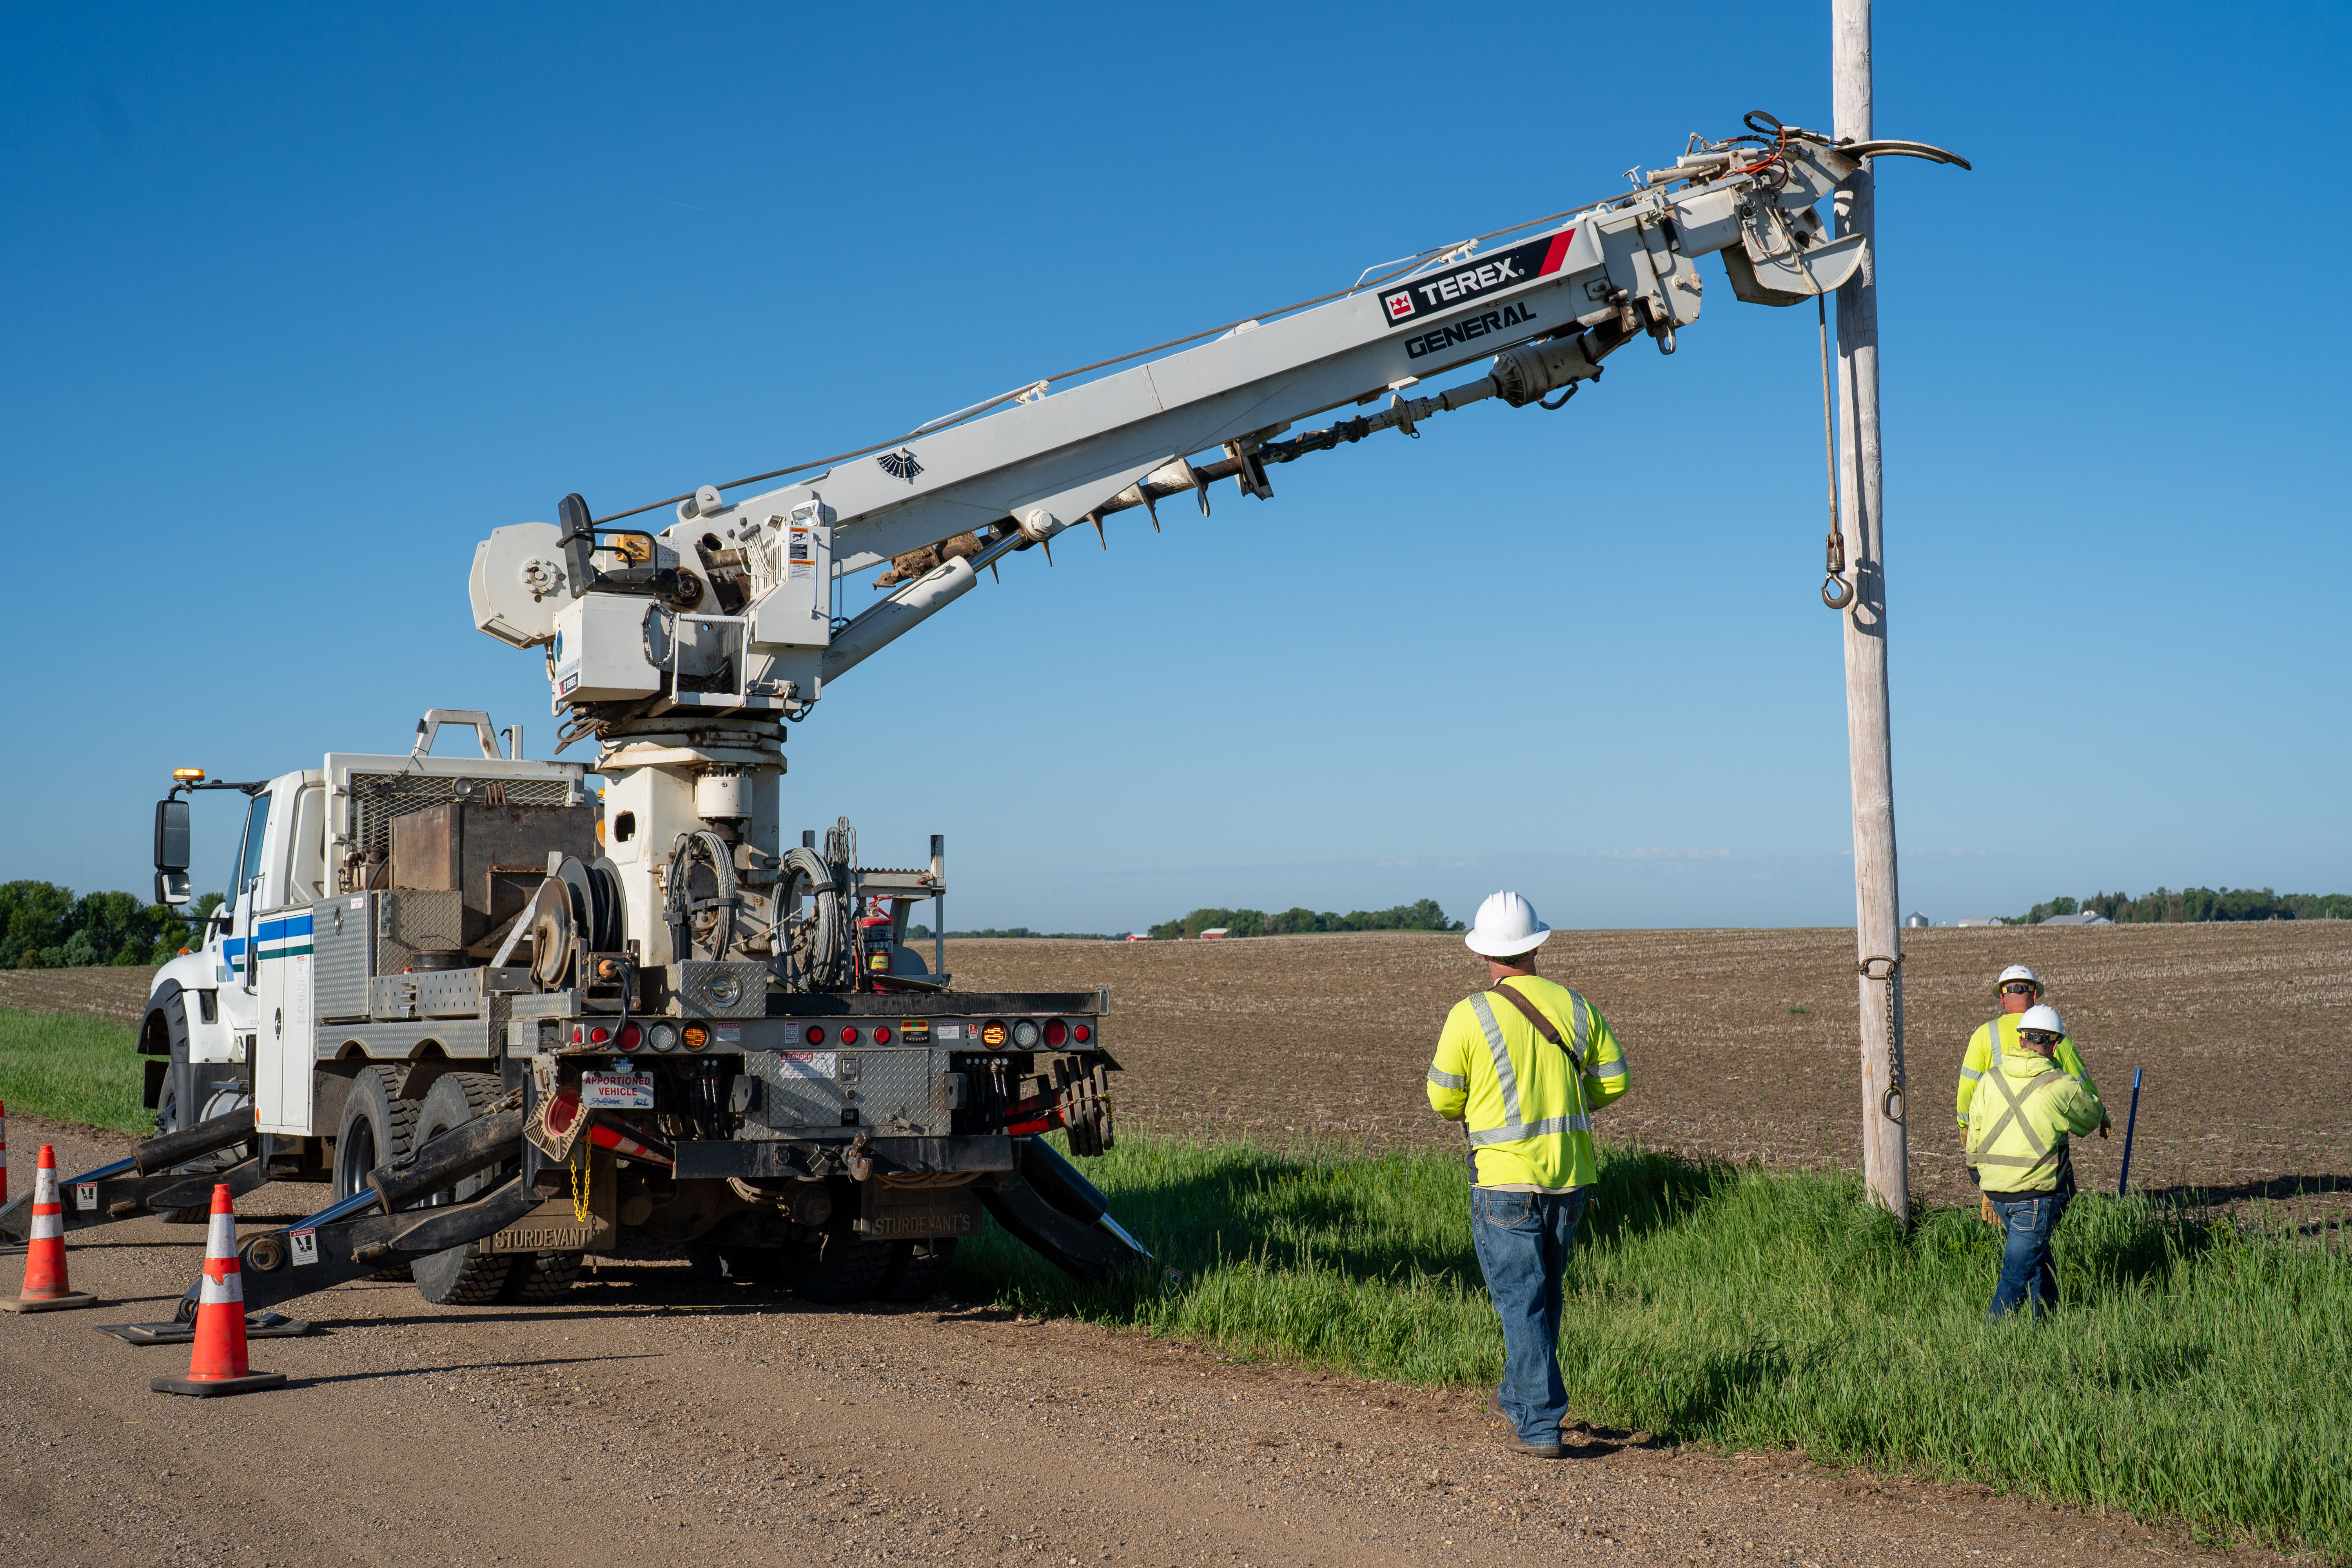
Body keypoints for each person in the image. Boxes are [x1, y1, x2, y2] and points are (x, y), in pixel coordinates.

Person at [1425, 891, 1629, 1459]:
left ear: (1484, 953)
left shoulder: (1470, 1014)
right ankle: (1521, 1394)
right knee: (1544, 1296)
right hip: (1569, 1179)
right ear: (1537, 944)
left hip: (1503, 1183)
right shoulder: (1577, 1007)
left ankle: (1539, 1424)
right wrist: (1573, 1099)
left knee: (1520, 1301)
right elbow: (1614, 1080)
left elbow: (1442, 1098)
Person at [1965, 1003, 2105, 1320]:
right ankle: (1990, 1343)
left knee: (2038, 1260)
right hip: (2034, 1198)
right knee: (2014, 1276)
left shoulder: (1991, 1079)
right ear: (2056, 1046)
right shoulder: (2059, 1085)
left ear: (2020, 1041)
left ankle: (2048, 1323)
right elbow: (2091, 1118)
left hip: (1997, 1194)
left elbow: (1973, 1136)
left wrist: (1979, 1178)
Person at [1956, 965, 2108, 1138]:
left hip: (1997, 1138)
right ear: (2035, 995)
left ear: (2002, 998)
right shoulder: (2055, 1037)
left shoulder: (1983, 1035)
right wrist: (2102, 1114)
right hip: (2048, 1143)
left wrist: (1966, 1126)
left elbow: (1969, 1086)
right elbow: (2082, 1083)